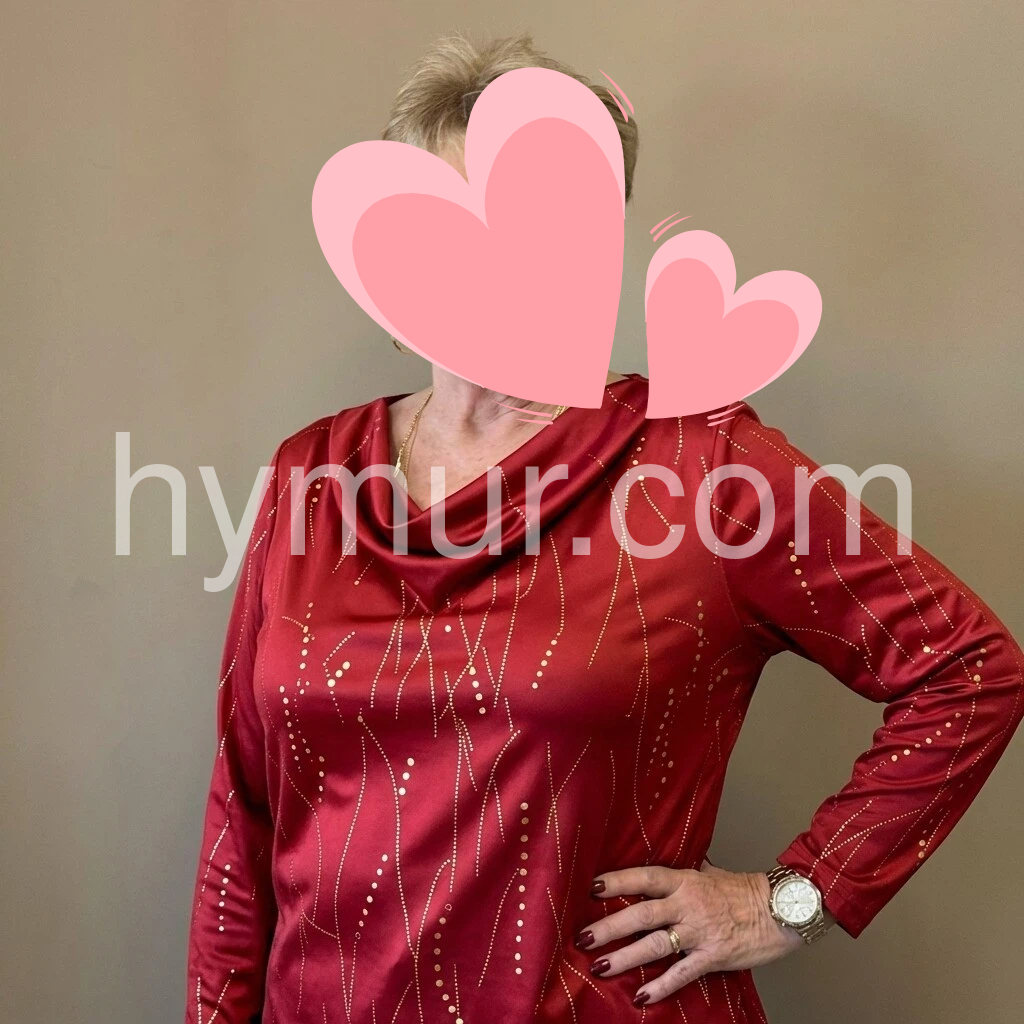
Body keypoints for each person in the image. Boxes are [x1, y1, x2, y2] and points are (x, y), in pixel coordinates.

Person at [183, 34, 1024, 1023]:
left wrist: (793, 899)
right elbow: (242, 809)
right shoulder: (309, 473)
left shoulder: (703, 467)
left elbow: (969, 668)